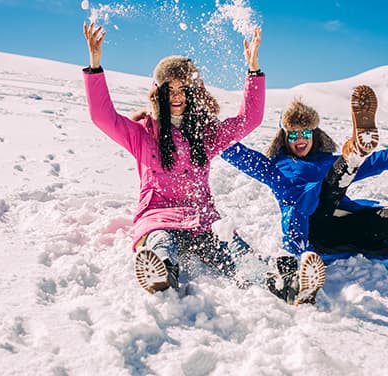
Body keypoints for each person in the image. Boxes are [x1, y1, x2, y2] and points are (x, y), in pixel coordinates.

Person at [221, 85, 388, 304]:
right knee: (327, 187)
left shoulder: (326, 161)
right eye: (293, 134)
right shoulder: (273, 168)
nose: (300, 139)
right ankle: (356, 151)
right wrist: (200, 128)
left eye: (305, 132)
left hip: (347, 232)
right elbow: (232, 150)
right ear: (284, 137)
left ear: (315, 134)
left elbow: (381, 160)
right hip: (313, 233)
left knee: (384, 218)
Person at [82, 22, 265, 294]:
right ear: (160, 94)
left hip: (202, 219)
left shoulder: (206, 135)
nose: (177, 96)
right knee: (160, 242)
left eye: (183, 89)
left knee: (235, 250)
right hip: (158, 216)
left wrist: (253, 72)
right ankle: (161, 272)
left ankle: (275, 280)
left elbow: (249, 119)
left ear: (193, 93)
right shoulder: (143, 134)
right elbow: (103, 117)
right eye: (170, 90)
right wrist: (95, 66)